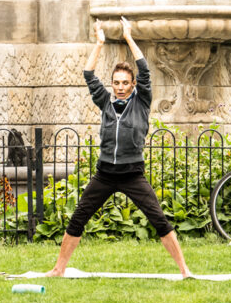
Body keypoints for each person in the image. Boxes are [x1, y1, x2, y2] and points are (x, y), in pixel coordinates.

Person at [46, 17, 192, 278]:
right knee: (78, 219)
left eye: (126, 83)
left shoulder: (142, 101)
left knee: (159, 220)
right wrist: (99, 43)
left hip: (133, 174)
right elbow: (89, 74)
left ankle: (184, 270)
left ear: (133, 85)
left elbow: (145, 71)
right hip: (105, 173)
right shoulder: (105, 101)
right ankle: (58, 269)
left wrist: (128, 37)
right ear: (112, 84)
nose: (121, 87)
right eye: (117, 83)